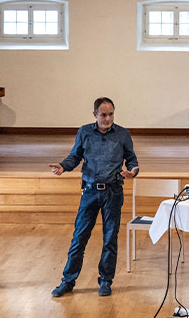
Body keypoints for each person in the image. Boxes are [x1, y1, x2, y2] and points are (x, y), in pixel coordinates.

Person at [49, 97, 140, 298]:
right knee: (79, 237)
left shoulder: (123, 134)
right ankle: (67, 281)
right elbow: (75, 156)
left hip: (113, 192)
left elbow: (131, 159)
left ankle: (106, 281)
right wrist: (63, 166)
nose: (108, 119)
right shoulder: (84, 132)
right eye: (103, 115)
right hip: (90, 191)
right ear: (95, 115)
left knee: (110, 238)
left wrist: (133, 170)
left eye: (111, 114)